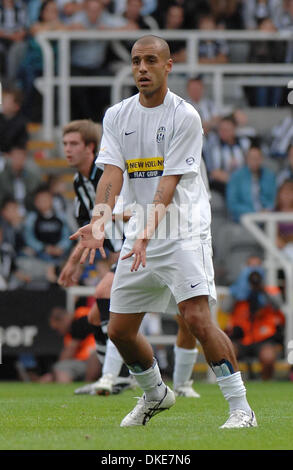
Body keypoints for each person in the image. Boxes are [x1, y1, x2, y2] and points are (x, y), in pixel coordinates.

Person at [71, 35, 257, 428]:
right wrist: (100, 220)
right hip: (143, 230)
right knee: (120, 330)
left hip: (183, 230)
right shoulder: (117, 115)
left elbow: (168, 184)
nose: (141, 68)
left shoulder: (184, 116)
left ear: (167, 66)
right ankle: (156, 394)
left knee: (196, 317)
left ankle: (241, 408)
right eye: (137, 60)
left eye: (150, 60)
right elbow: (111, 173)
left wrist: (142, 235)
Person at [59, 119, 201, 397]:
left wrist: (109, 217)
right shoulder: (80, 183)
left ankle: (125, 378)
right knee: (95, 316)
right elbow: (89, 227)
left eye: (73, 144)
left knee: (189, 318)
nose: (67, 150)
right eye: (64, 144)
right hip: (126, 249)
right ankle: (115, 376)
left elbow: (137, 207)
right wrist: (74, 259)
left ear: (91, 148)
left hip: (152, 242)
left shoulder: (108, 176)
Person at [39, 305, 99, 383]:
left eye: (57, 329)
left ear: (62, 320)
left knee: (94, 355)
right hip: (82, 364)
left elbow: (69, 352)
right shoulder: (68, 335)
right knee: (59, 369)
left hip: (99, 358)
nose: (58, 332)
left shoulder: (80, 316)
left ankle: (88, 385)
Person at [226, 145, 277, 223]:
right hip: (245, 218)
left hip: (267, 217)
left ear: (261, 159)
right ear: (247, 159)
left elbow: (274, 199)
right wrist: (255, 213)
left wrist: (267, 210)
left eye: (257, 158)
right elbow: (232, 203)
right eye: (252, 158)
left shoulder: (269, 176)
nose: (255, 161)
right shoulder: (236, 177)